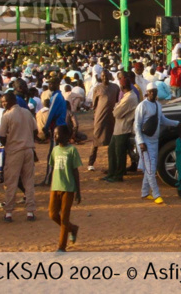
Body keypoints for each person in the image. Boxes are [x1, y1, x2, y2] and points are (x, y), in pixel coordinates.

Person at [133, 82, 179, 204]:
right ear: (147, 93)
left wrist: (177, 123)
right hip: (144, 141)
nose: (153, 93)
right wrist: (141, 142)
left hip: (154, 141)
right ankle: (156, 194)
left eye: (155, 91)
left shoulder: (158, 105)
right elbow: (137, 126)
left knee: (149, 169)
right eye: (151, 91)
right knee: (151, 170)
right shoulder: (142, 106)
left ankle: (144, 193)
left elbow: (162, 120)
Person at [0, 92, 37, 222]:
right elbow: (35, 130)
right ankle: (30, 212)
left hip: (15, 151)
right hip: (28, 149)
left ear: (11, 101)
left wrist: (10, 142)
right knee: (29, 180)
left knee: (11, 181)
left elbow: (2, 137)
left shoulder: (7, 116)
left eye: (5, 101)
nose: (3, 104)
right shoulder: (27, 113)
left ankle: (9, 212)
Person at [49, 124, 81, 252]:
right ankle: (72, 228)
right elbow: (53, 168)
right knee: (52, 214)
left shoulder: (72, 151)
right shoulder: (55, 150)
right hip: (55, 187)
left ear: (66, 136)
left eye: (57, 134)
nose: (55, 136)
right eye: (54, 134)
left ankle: (61, 246)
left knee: (64, 217)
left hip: (68, 188)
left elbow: (75, 172)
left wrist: (78, 191)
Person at [104, 73, 138, 183]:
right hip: (119, 128)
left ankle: (118, 175)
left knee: (119, 153)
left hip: (123, 128)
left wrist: (116, 107)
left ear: (122, 87)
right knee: (112, 151)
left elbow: (116, 113)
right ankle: (112, 173)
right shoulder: (127, 96)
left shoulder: (129, 98)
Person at [87, 71, 117, 172]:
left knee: (112, 140)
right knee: (96, 139)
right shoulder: (97, 88)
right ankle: (91, 163)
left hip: (111, 117)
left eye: (107, 76)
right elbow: (94, 104)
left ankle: (112, 164)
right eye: (103, 76)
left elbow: (117, 101)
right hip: (100, 117)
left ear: (109, 76)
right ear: (100, 77)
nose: (105, 78)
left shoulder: (115, 87)